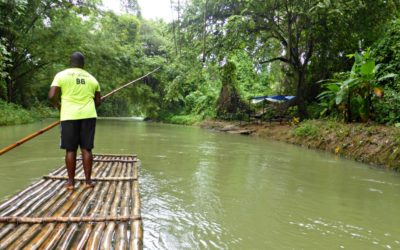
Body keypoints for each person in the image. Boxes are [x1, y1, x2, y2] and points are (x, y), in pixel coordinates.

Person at [48, 52, 101, 190]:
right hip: (89, 115)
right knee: (86, 149)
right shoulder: (92, 79)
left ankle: (71, 183)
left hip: (69, 116)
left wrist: (59, 106)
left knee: (70, 150)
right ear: (83, 64)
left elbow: (52, 96)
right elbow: (98, 102)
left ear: (70, 61)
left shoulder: (61, 75)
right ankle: (88, 182)